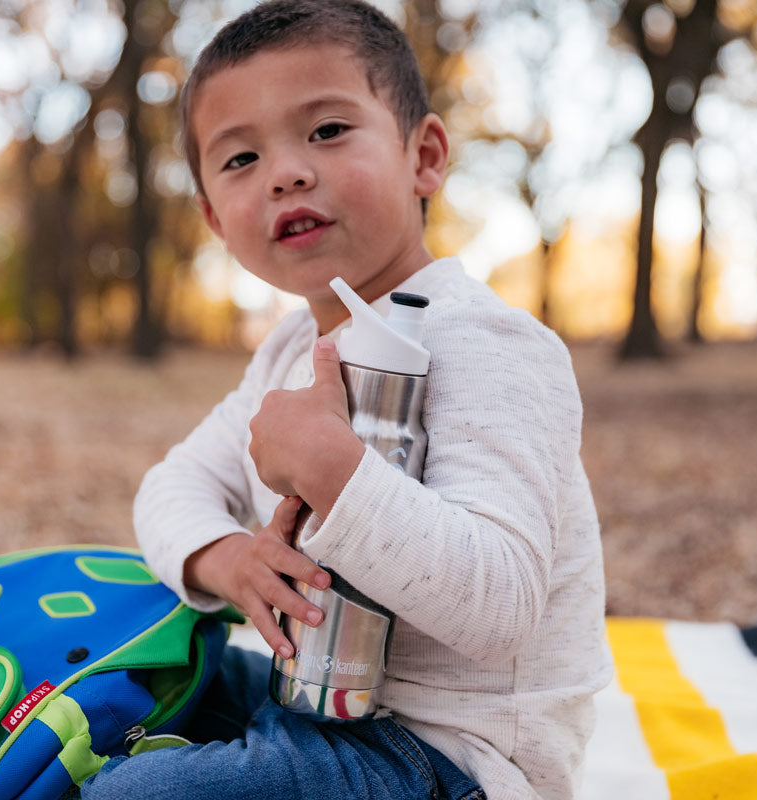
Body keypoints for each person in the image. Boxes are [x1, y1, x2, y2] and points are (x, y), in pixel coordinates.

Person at [79, 1, 613, 798]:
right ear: (214, 220)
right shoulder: (291, 354)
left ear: (423, 156)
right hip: (303, 699)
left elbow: (500, 604)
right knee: (107, 670)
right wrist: (229, 562)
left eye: (327, 131)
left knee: (132, 793)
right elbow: (174, 485)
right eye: (239, 159)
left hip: (444, 755)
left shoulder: (490, 347)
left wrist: (339, 471)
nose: (286, 171)